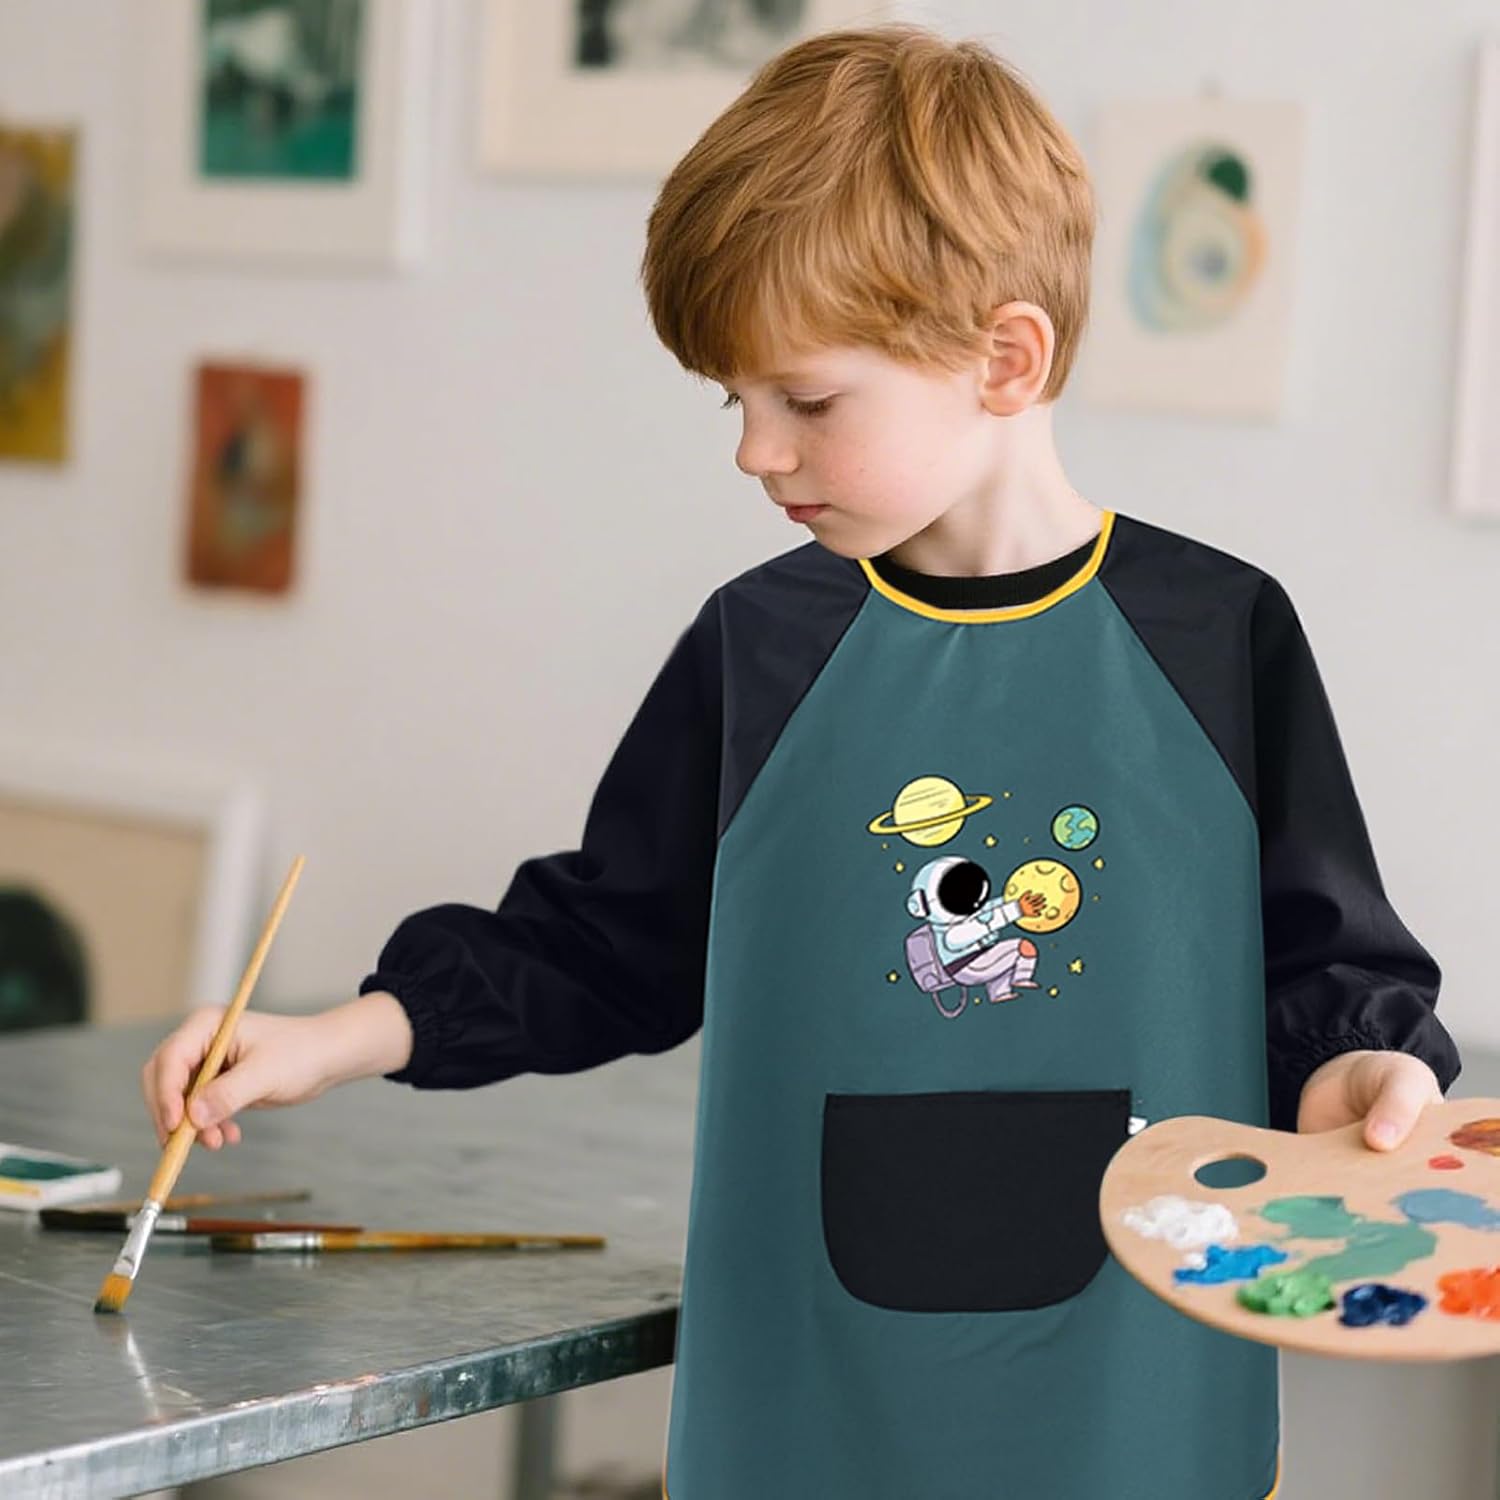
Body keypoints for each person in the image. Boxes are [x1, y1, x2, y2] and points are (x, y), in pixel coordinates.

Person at [142, 24, 1462, 1498]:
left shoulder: (1217, 636)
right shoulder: (761, 645)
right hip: (808, 1407)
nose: (755, 452)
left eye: (807, 402)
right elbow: (608, 939)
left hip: (1138, 1411)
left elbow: (1324, 967)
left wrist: (1360, 1072)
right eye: (736, 401)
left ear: (1006, 358)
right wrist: (333, 1039)